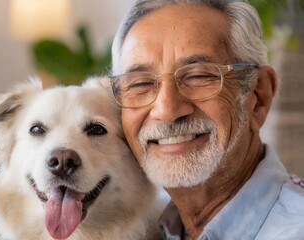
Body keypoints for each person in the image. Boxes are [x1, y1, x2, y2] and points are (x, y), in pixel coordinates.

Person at [109, 0, 304, 239]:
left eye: (199, 76)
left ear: (259, 95)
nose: (167, 110)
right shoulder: (140, 224)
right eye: (140, 83)